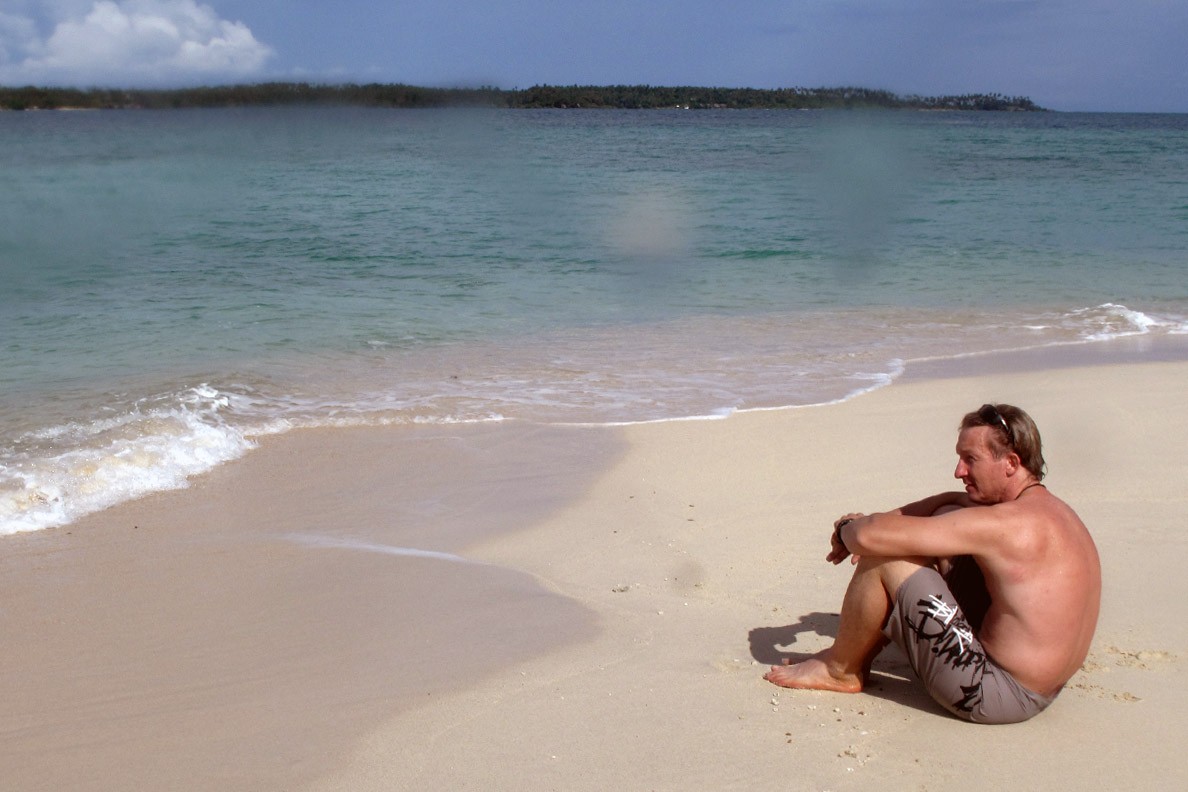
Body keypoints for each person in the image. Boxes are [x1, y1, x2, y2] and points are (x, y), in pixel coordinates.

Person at [765, 403, 1100, 724]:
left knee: (887, 556)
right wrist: (878, 520)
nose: (959, 471)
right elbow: (949, 504)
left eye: (970, 459)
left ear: (1011, 463)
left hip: (996, 694)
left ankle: (840, 670)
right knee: (945, 517)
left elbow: (867, 539)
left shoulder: (1005, 526)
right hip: (1045, 686)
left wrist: (846, 529)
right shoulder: (1052, 513)